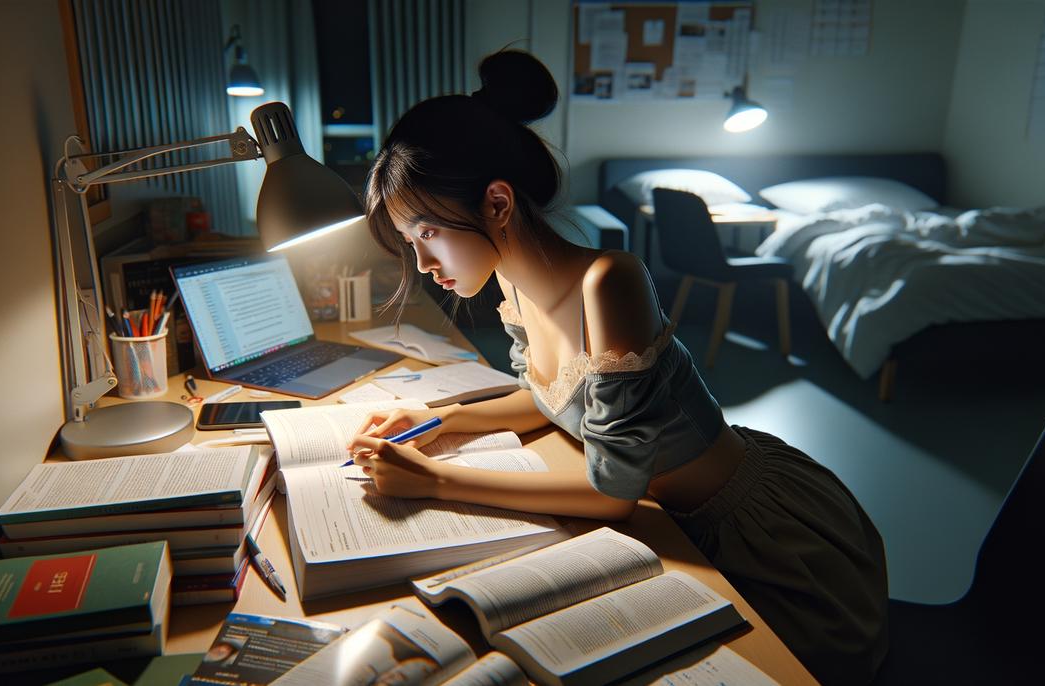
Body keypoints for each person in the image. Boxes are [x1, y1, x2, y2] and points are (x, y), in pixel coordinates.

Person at [347, 49, 888, 686]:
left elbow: (614, 490)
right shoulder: (514, 289)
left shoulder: (611, 280)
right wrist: (433, 417)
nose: (422, 262)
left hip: (749, 533)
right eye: (411, 242)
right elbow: (550, 397)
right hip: (675, 521)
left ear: (497, 203)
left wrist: (435, 481)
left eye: (427, 233)